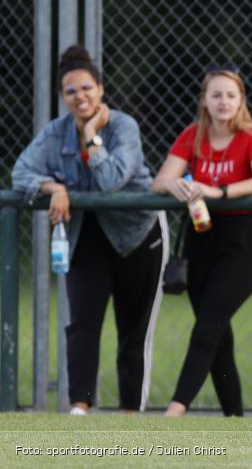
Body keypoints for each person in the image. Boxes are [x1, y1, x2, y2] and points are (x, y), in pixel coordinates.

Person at [12, 45, 167, 414]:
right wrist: (55, 188)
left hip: (137, 235)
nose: (79, 97)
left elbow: (112, 179)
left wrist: (93, 136)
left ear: (100, 89)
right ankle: (80, 408)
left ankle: (131, 412)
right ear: (62, 97)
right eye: (70, 91)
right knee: (82, 323)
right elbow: (21, 172)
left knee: (133, 330)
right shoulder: (55, 133)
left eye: (86, 88)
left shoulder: (123, 126)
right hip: (87, 234)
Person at [152, 66, 252, 417]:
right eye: (216, 95)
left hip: (241, 245)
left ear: (241, 101)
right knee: (218, 336)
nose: (223, 102)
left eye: (230, 95)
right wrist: (174, 185)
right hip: (200, 239)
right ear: (205, 100)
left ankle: (174, 410)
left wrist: (216, 191)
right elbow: (160, 180)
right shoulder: (193, 135)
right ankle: (234, 418)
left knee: (207, 327)